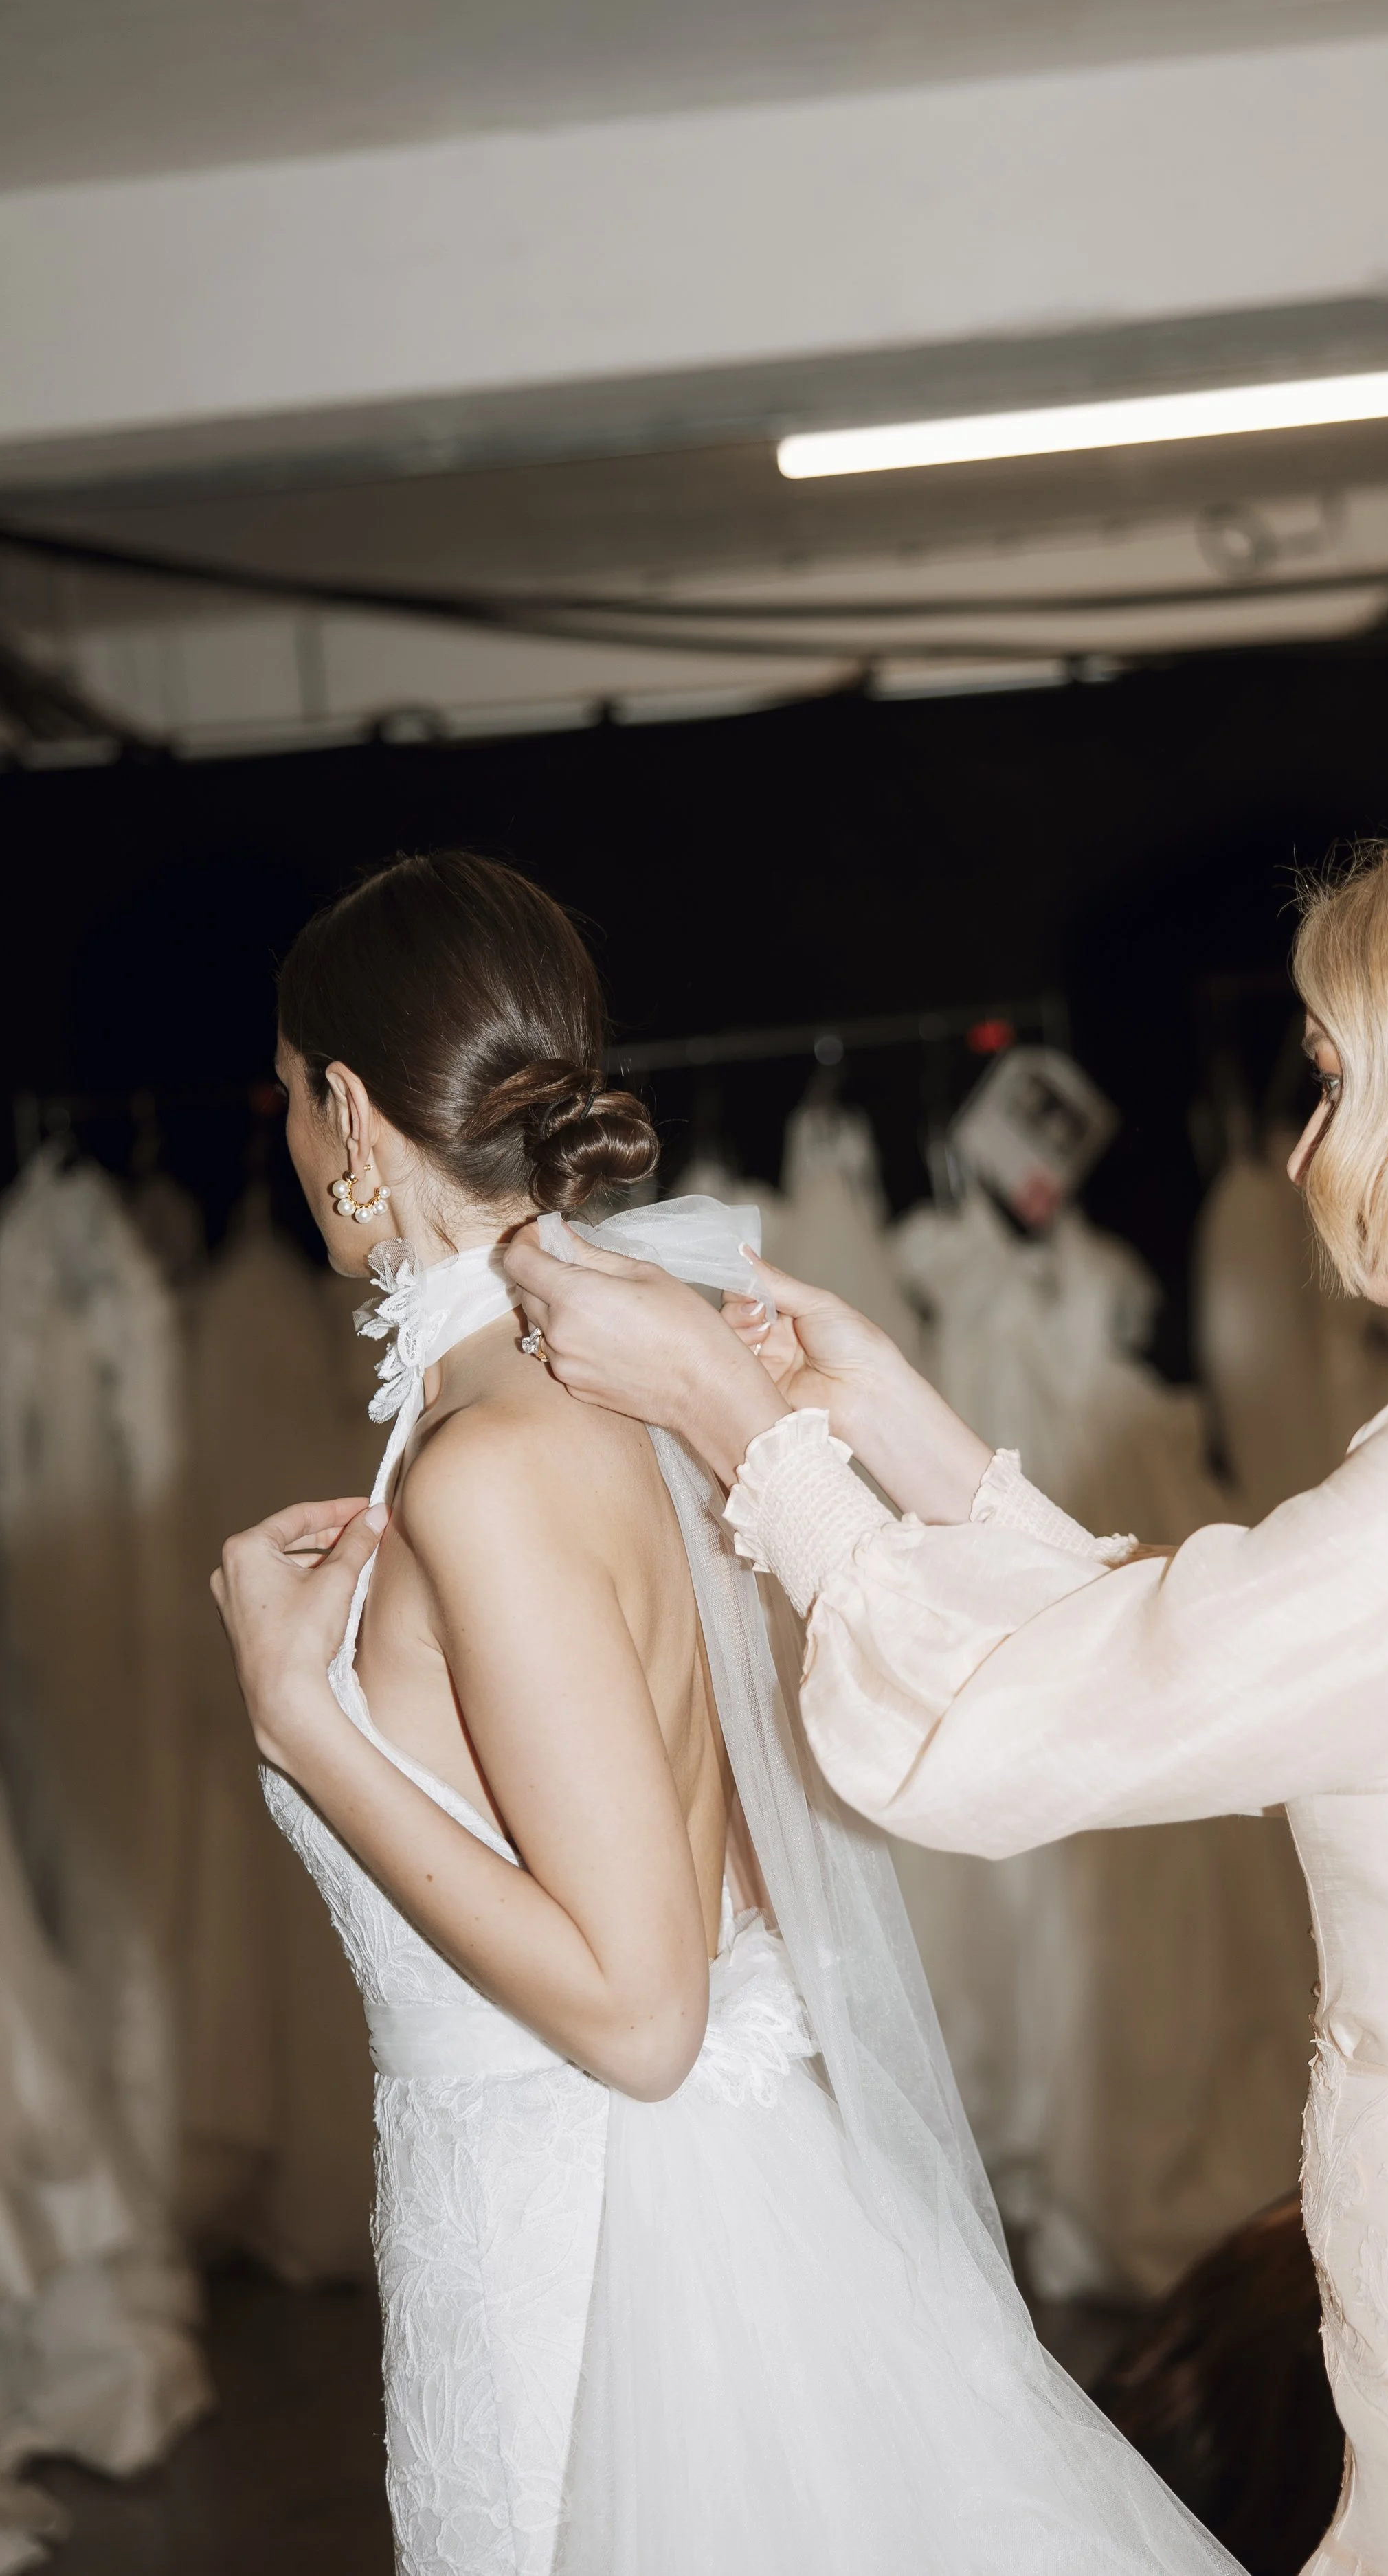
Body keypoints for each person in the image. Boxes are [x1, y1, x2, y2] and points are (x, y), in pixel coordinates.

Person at [503, 791, 1388, 2576]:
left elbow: (998, 1747)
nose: (1304, 1154)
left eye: (1334, 1082)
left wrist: (734, 1425)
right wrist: (885, 1422)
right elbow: (1224, 1655)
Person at [210, 850, 1239, 2576]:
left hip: (611, 2267)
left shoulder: (493, 1465)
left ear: (348, 1115)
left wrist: (296, 1714)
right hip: (623, 2228)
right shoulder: (581, 1394)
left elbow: (638, 2016)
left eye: (292, 1098)